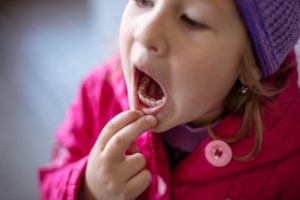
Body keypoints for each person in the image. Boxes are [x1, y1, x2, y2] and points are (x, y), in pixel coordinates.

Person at [38, 0, 300, 199]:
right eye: (144, 1)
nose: (146, 33)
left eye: (190, 19)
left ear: (250, 63)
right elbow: (50, 183)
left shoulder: (290, 158)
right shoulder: (98, 92)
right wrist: (89, 190)